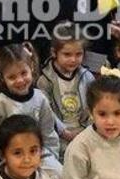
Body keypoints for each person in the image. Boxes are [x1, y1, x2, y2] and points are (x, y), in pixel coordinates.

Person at [0, 44, 60, 175]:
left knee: (59, 176)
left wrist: (52, 157)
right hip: (7, 158)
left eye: (24, 73)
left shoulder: (40, 98)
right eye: (12, 77)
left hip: (37, 154)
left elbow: (48, 132)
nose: (20, 80)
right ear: (2, 78)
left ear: (31, 67)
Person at [36, 22, 94, 155]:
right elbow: (46, 112)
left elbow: (94, 106)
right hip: (56, 135)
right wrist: (65, 133)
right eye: (67, 54)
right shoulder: (44, 81)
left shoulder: (88, 77)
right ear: (54, 52)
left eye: (78, 54)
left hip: (85, 132)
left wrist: (88, 131)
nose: (73, 59)